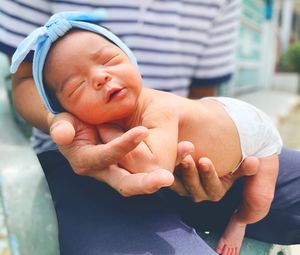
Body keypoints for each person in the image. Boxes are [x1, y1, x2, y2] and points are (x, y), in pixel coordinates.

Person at [1, 2, 300, 255]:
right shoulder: (80, 124)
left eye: (110, 60)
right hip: (76, 164)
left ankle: (233, 216)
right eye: (78, 85)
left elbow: (159, 156)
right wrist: (68, 126)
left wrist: (216, 157)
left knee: (267, 191)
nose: (101, 77)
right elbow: (23, 79)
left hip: (197, 156)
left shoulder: (160, 107)